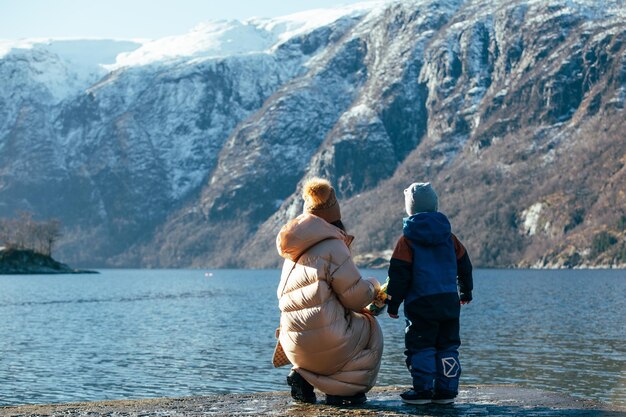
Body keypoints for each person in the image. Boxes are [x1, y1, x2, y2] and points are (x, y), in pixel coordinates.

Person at [275, 177, 383, 406]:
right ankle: (344, 392)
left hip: (292, 346)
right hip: (324, 344)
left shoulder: (292, 252)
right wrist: (373, 286)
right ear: (336, 220)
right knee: (370, 327)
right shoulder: (334, 246)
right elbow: (356, 298)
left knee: (327, 328)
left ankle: (303, 376)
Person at [386, 182, 473, 405]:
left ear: (410, 209)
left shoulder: (407, 240)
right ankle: (446, 391)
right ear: (435, 205)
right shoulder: (450, 238)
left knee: (421, 345)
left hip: (421, 303)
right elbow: (464, 266)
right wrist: (465, 291)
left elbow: (399, 276)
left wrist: (393, 303)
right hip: (448, 301)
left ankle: (423, 391)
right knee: (448, 345)